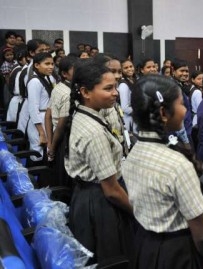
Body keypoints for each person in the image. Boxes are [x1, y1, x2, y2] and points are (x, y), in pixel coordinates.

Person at [123, 75, 203, 268]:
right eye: (182, 104)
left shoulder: (134, 152)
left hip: (143, 245)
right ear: (164, 113)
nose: (186, 110)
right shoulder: (177, 165)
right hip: (176, 253)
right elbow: (202, 233)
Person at [64, 60, 133, 264]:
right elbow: (111, 189)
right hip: (99, 203)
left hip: (91, 197)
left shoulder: (88, 114)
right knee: (110, 256)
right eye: (108, 88)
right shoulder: (93, 133)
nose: (116, 93)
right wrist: (137, 212)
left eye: (115, 86)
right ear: (85, 92)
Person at [45, 56, 77, 187]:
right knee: (66, 178)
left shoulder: (58, 87)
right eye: (76, 70)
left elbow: (47, 116)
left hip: (56, 138)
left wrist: (50, 142)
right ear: (64, 74)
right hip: (64, 139)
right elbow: (61, 124)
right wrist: (51, 149)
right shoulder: (68, 93)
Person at [118, 58, 137, 132]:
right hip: (129, 120)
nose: (129, 69)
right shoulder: (123, 85)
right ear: (121, 70)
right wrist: (138, 112)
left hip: (135, 120)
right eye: (126, 68)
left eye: (131, 66)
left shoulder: (134, 80)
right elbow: (125, 108)